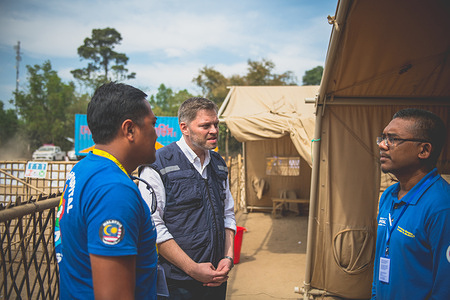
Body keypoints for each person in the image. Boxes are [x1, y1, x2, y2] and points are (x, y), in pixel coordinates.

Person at [54, 82, 158, 299]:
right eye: (152, 124)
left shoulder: (85, 168)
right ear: (130, 129)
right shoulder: (114, 191)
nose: (157, 135)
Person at [138, 97, 236, 300]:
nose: (214, 130)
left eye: (216, 124)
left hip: (216, 279)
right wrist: (192, 269)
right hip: (178, 284)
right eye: (205, 125)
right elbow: (153, 225)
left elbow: (227, 213)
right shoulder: (158, 164)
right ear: (184, 128)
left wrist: (228, 256)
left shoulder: (218, 164)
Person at [371, 108, 450, 299]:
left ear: (423, 150)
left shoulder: (441, 207)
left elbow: (445, 288)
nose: (382, 145)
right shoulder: (389, 195)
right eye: (383, 138)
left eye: (393, 139)